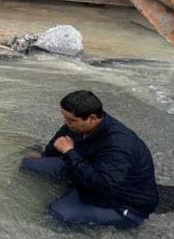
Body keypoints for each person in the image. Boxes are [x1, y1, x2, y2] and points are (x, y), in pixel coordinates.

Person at [21, 90, 158, 229]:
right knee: (27, 164)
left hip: (122, 204)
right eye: (64, 117)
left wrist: (69, 152)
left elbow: (104, 187)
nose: (66, 123)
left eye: (71, 120)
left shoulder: (119, 145)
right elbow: (54, 149)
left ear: (92, 118)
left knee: (56, 215)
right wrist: (46, 157)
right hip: (88, 169)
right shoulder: (77, 125)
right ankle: (72, 187)